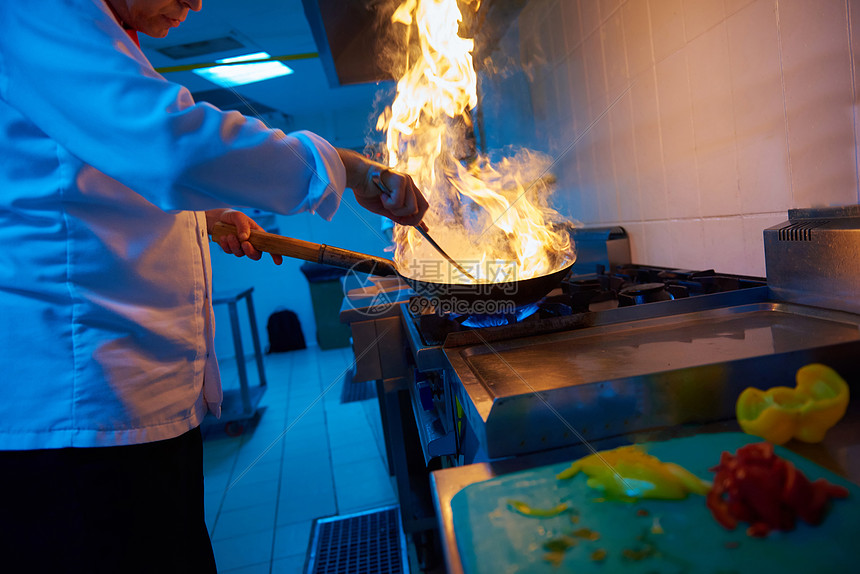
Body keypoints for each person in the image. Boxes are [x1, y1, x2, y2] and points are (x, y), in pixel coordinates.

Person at [0, 0, 428, 572]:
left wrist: (200, 216)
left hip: (127, 412)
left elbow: (94, 184)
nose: (196, 3)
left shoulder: (101, 36)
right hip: (79, 422)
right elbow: (170, 145)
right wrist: (343, 168)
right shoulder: (35, 11)